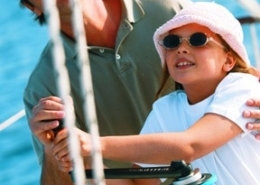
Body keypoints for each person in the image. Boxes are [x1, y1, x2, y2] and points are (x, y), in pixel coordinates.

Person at [20, 0, 260, 184]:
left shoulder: (166, 8)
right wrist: (58, 150)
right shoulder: (44, 85)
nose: (182, 48)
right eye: (171, 43)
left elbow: (189, 145)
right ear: (32, 7)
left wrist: (92, 144)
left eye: (198, 40)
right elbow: (140, 177)